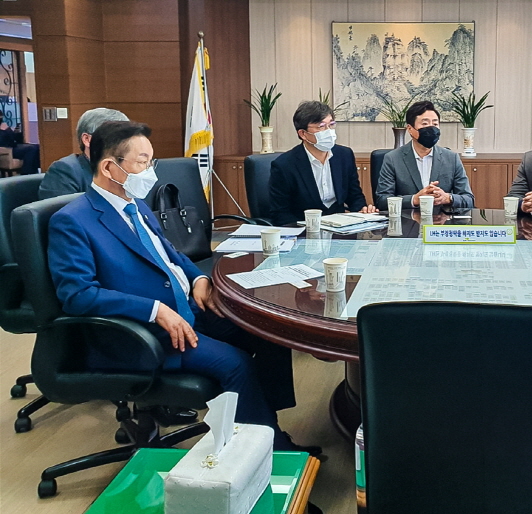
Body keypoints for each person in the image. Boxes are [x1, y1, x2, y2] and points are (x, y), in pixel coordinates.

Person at [48, 121, 320, 454]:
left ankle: (262, 426)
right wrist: (155, 310)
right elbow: (77, 295)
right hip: (143, 333)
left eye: (151, 161)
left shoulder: (135, 205)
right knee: (236, 364)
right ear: (108, 167)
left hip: (188, 310)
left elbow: (171, 255)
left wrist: (199, 279)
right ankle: (268, 450)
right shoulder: (73, 221)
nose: (151, 171)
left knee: (269, 331)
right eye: (142, 162)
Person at [270, 101, 375, 226]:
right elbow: (280, 213)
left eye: (331, 124)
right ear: (303, 134)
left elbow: (354, 196)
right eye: (321, 126)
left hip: (340, 228)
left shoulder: (344, 155)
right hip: (304, 229)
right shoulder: (284, 165)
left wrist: (362, 210)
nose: (328, 131)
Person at [375, 100, 475, 211]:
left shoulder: (451, 158)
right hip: (408, 220)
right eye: (425, 124)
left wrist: (447, 198)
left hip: (441, 219)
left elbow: (469, 199)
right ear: (410, 129)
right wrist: (414, 199)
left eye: (435, 124)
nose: (431, 128)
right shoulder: (393, 159)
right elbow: (382, 201)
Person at [39, 107, 129, 200]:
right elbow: (65, 209)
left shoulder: (126, 168)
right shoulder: (64, 170)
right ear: (87, 140)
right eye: (114, 138)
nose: (123, 144)